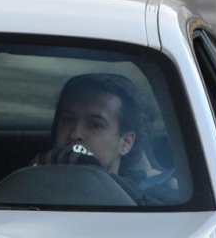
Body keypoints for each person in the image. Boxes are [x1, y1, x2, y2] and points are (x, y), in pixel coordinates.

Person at [39, 71, 181, 204]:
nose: (75, 134)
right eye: (68, 120)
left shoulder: (151, 198)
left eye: (94, 124)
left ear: (125, 142)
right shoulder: (32, 179)